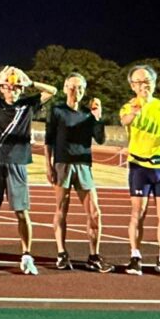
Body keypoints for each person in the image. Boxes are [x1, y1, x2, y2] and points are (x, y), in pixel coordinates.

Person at [0, 66, 56, 275]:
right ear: (2, 88)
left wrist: (30, 82)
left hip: (18, 163)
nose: (12, 90)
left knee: (22, 213)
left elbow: (52, 91)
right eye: (8, 87)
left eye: (16, 87)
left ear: (20, 89)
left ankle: (26, 256)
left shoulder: (28, 105)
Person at [119, 64, 160, 278]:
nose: (143, 85)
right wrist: (135, 112)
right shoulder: (128, 107)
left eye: (147, 81)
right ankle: (135, 257)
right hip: (140, 166)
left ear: (154, 83)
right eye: (138, 82)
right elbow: (124, 121)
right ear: (132, 86)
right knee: (138, 213)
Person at [45, 72, 112, 272]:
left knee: (94, 212)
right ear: (65, 88)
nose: (77, 91)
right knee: (61, 209)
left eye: (81, 87)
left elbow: (100, 139)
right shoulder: (57, 110)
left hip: (83, 165)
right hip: (63, 164)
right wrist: (48, 165)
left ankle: (94, 256)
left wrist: (98, 118)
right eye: (73, 87)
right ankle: (61, 253)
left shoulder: (88, 114)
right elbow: (49, 140)